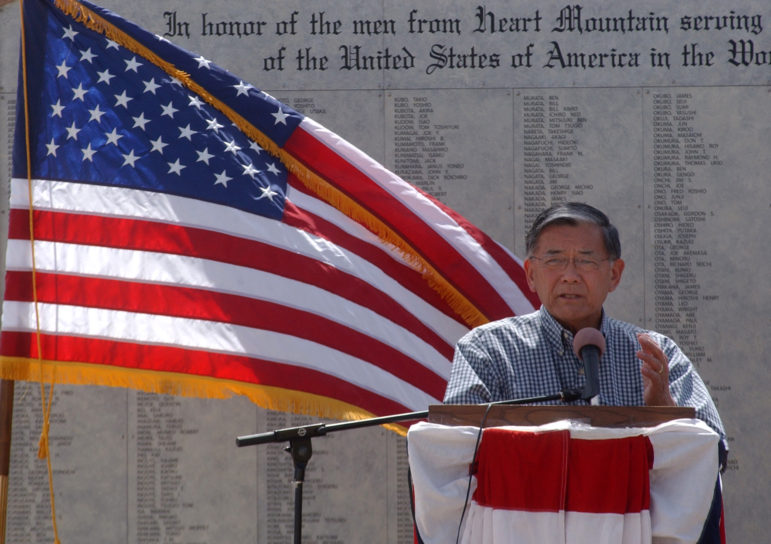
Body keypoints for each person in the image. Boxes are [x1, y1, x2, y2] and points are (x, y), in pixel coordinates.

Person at [443, 202, 727, 460]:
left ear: (614, 274)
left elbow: (715, 453)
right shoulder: (487, 349)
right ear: (530, 274)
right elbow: (455, 449)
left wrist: (665, 411)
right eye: (554, 260)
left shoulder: (654, 354)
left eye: (586, 261)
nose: (570, 275)